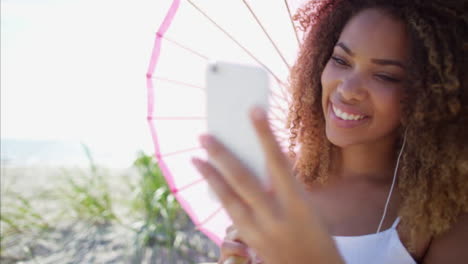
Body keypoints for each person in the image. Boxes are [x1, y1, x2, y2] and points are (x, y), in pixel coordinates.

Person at [192, 0, 468, 263]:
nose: (347, 90)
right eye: (341, 60)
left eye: (384, 76)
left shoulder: (441, 215)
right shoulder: (277, 182)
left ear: (431, 94)